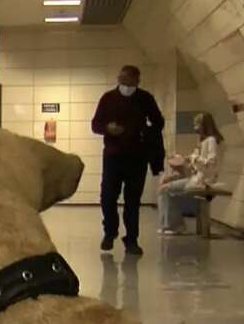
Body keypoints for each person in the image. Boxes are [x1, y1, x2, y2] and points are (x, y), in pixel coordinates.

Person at [92, 65, 165, 256]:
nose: (123, 85)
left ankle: (131, 240)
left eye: (128, 81)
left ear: (137, 81)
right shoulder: (108, 98)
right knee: (107, 197)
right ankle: (110, 231)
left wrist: (145, 131)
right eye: (121, 80)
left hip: (137, 156)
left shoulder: (145, 99)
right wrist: (108, 128)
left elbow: (158, 122)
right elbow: (95, 124)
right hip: (113, 156)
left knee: (133, 201)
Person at [157, 111, 224, 235]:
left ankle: (174, 226)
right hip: (198, 178)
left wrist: (194, 158)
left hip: (204, 180)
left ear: (204, 125)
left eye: (197, 124)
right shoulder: (203, 141)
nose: (195, 127)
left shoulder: (211, 141)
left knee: (165, 190)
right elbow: (196, 164)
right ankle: (171, 224)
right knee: (166, 187)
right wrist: (184, 160)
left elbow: (211, 163)